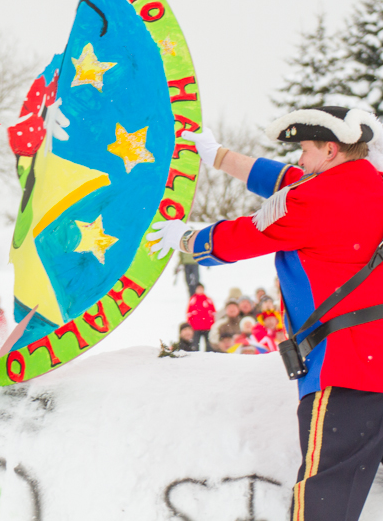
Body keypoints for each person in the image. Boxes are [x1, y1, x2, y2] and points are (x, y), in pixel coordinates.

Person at [148, 106, 383, 519]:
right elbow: (286, 182)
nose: (300, 160)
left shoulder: (315, 200)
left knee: (326, 501)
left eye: (305, 150)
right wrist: (219, 157)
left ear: (330, 150)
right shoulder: (368, 185)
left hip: (348, 372)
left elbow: (243, 237)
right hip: (372, 364)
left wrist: (186, 238)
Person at [186, 283, 215, 352]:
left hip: (207, 326)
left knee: (209, 344)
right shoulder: (193, 300)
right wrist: (189, 325)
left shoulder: (208, 300)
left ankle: (209, 355)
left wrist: (212, 323)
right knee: (195, 344)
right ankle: (195, 355)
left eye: (201, 289)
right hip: (196, 327)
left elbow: (213, 312)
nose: (200, 290)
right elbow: (189, 313)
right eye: (198, 289)